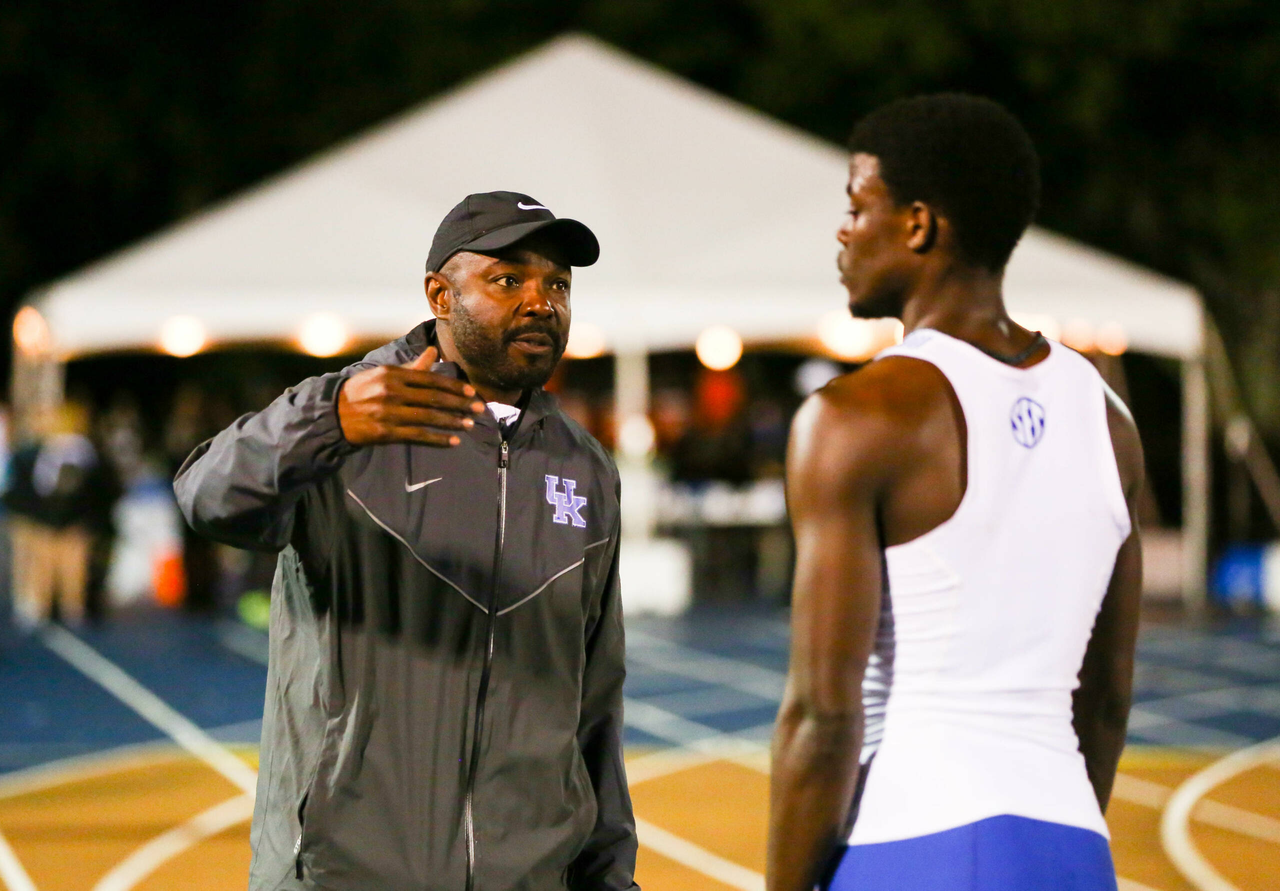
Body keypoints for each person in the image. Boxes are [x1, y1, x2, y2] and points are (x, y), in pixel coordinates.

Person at [175, 191, 639, 891]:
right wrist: (326, 423)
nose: (541, 301)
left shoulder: (586, 468)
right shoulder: (352, 415)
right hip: (347, 872)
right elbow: (207, 496)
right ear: (440, 294)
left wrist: (608, 877)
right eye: (508, 279)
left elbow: (595, 699)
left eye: (558, 285)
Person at [768, 95, 1144, 891]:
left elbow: (823, 715)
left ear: (917, 225)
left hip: (914, 835)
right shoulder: (1112, 422)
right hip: (1072, 844)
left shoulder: (856, 416)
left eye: (856, 205)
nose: (842, 230)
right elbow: (1106, 697)